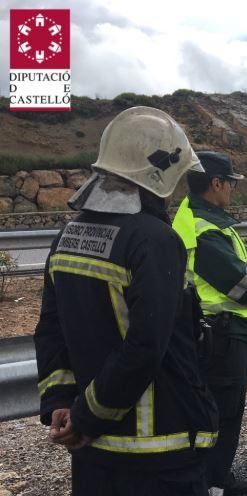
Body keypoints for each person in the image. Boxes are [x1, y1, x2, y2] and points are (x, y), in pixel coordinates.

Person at [33, 106, 219, 495]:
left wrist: (62, 404)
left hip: (93, 453)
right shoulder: (155, 240)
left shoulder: (66, 236)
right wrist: (85, 418)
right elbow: (146, 347)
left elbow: (51, 331)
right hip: (160, 451)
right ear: (161, 169)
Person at [172, 152, 247, 496]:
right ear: (216, 183)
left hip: (211, 332)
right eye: (230, 184)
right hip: (223, 335)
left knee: (213, 410)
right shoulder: (207, 230)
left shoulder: (195, 217)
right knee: (224, 412)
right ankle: (214, 480)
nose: (232, 190)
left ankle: (209, 477)